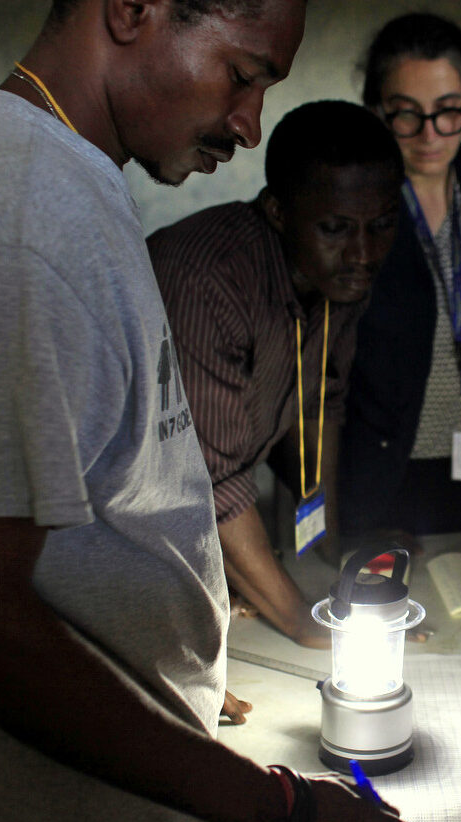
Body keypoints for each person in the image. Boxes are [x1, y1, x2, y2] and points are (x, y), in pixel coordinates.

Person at [0, 2, 434, 822]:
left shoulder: (69, 186)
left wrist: (183, 678)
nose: (250, 128)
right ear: (133, 9)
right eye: (244, 75)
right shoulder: (19, 222)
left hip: (124, 821)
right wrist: (275, 812)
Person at [148, 100, 405, 647]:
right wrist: (303, 620)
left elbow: (319, 406)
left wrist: (330, 550)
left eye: (382, 224)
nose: (363, 252)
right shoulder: (206, 279)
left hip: (202, 526)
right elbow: (207, 479)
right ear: (278, 211)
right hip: (118, 542)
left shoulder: (338, 274)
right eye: (335, 227)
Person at [339, 12, 461, 539]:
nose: (429, 135)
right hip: (382, 454)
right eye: (405, 115)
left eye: (448, 113)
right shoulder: (355, 191)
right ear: (377, 108)